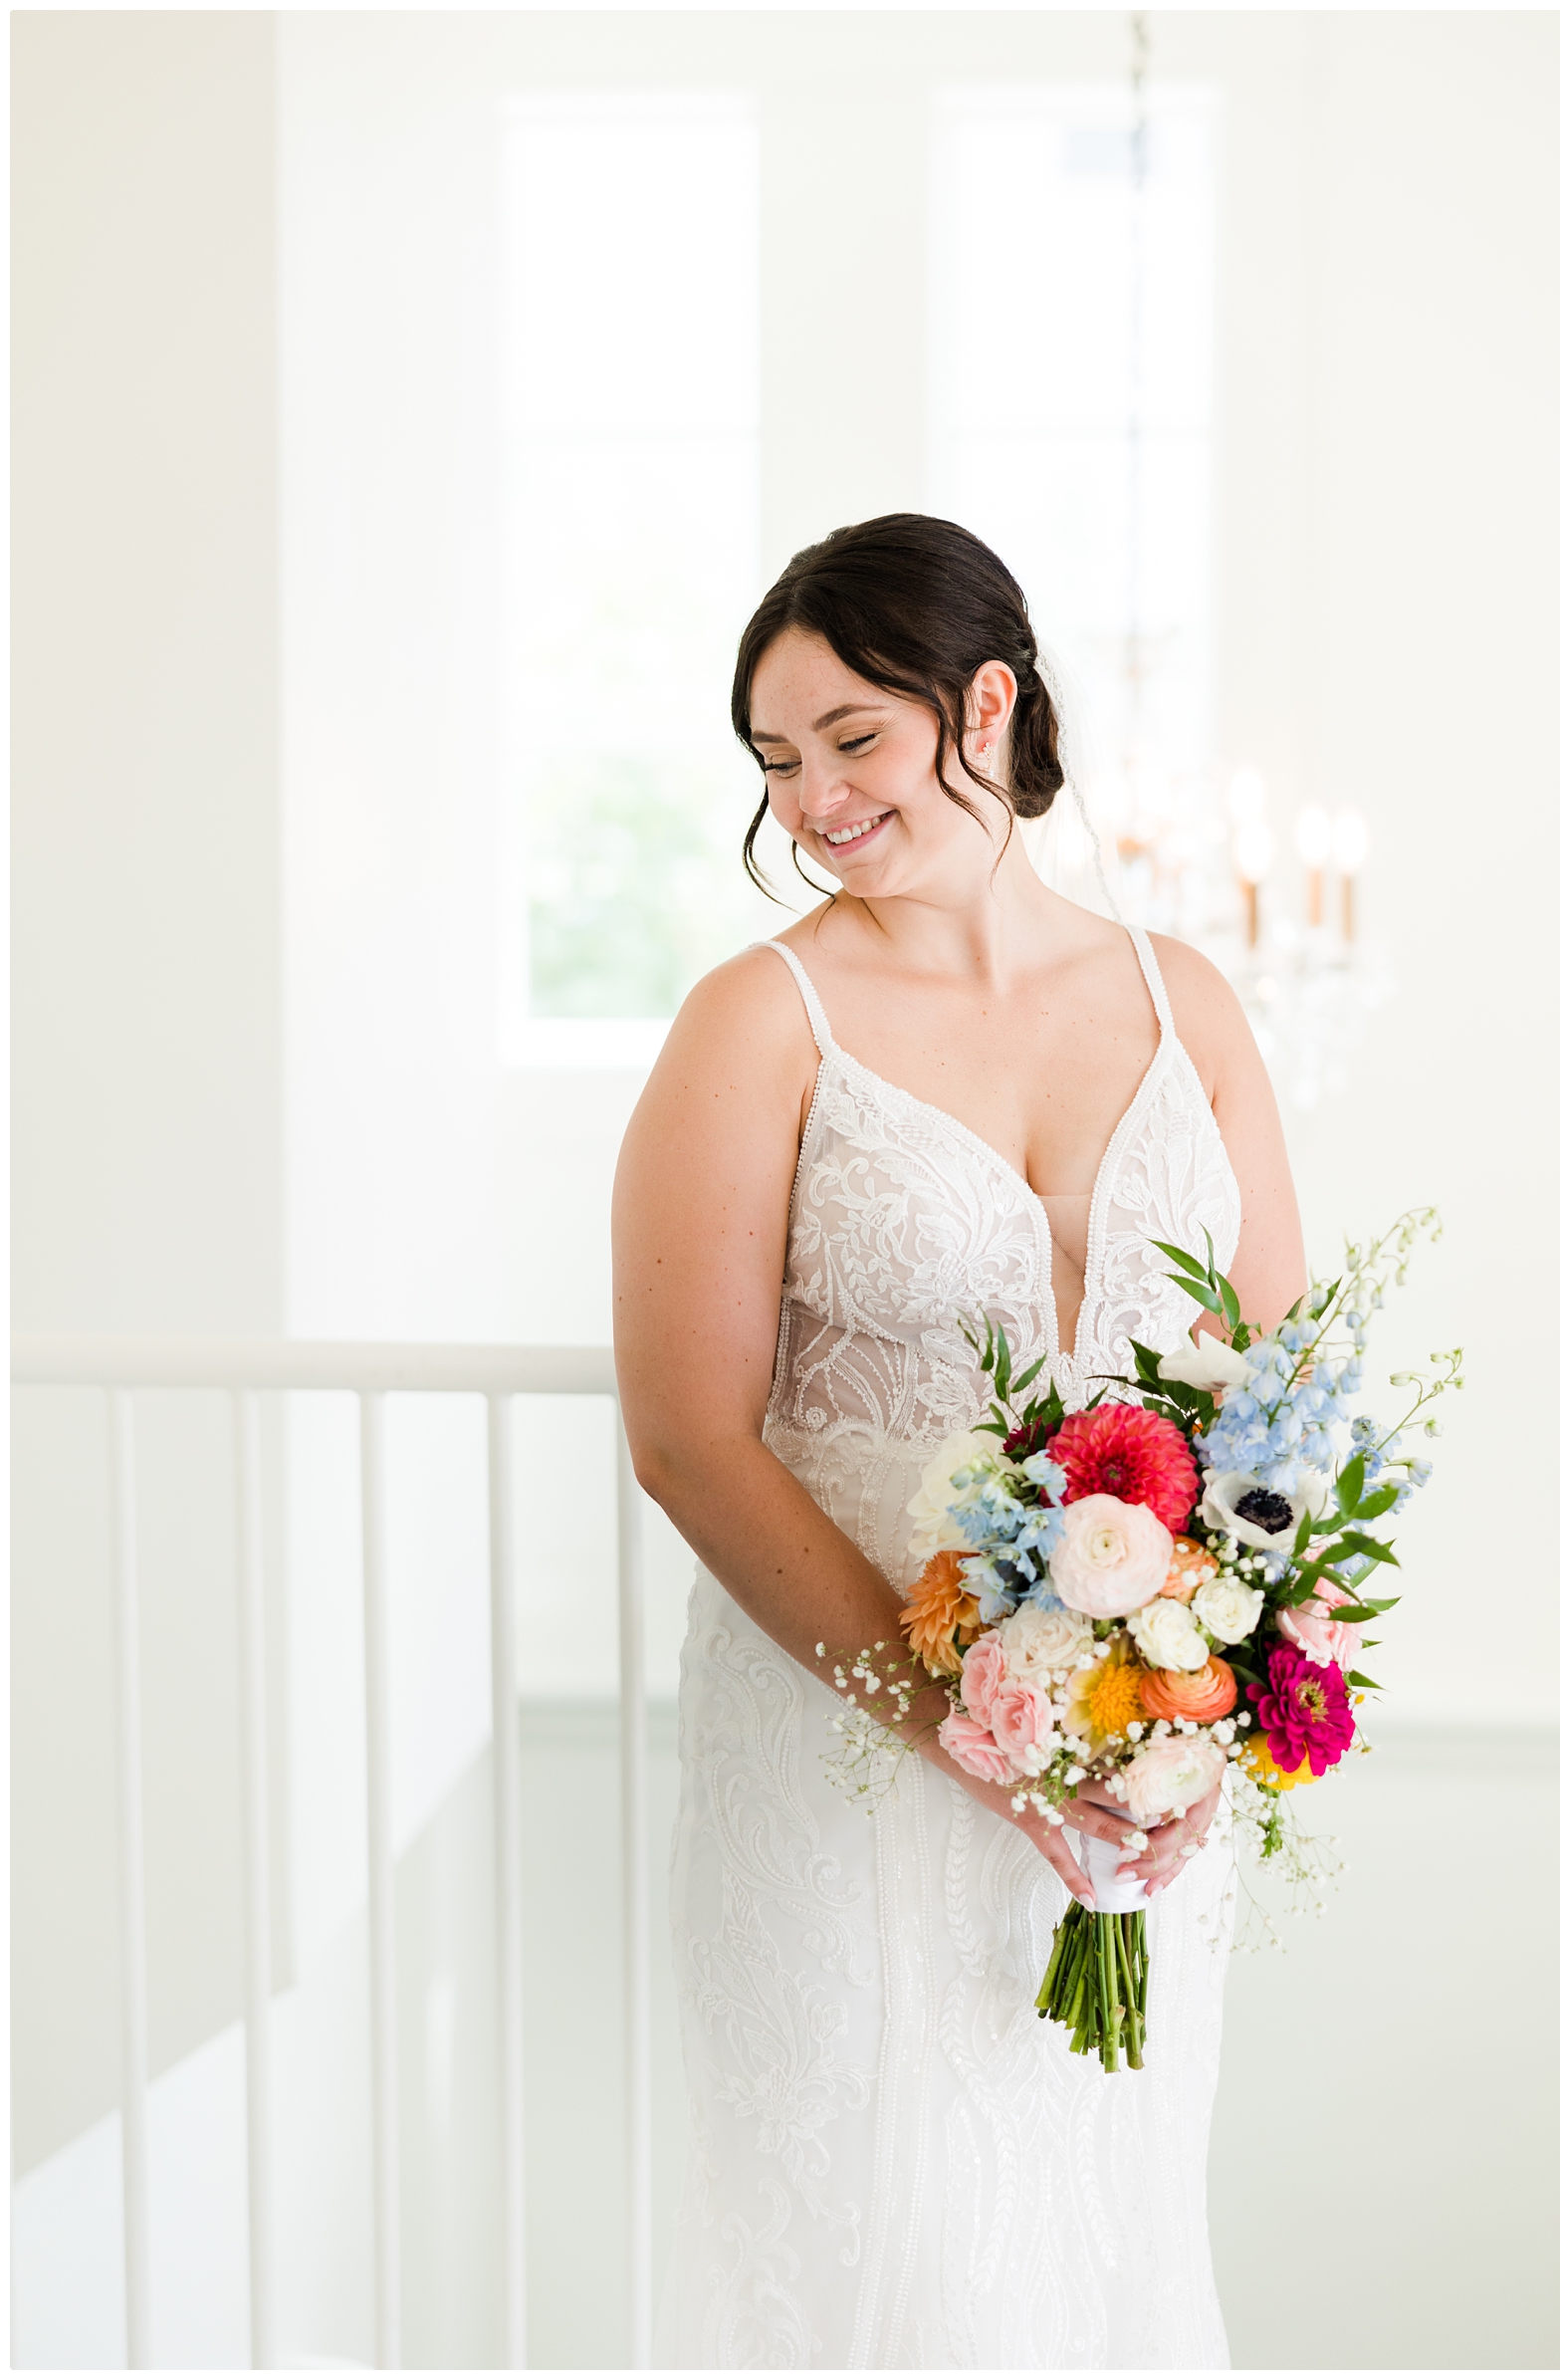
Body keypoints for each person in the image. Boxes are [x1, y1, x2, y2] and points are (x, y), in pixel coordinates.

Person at [612, 514, 1306, 2370]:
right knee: (862, 2277)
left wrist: (1210, 1710)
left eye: (852, 738)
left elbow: (1269, 1398)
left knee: (1107, 2251)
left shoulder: (1189, 1006)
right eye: (777, 762)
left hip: (1135, 1786)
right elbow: (687, 1434)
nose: (816, 799)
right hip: (849, 1769)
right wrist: (967, 1733)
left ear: (983, 704)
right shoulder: (758, 1027)